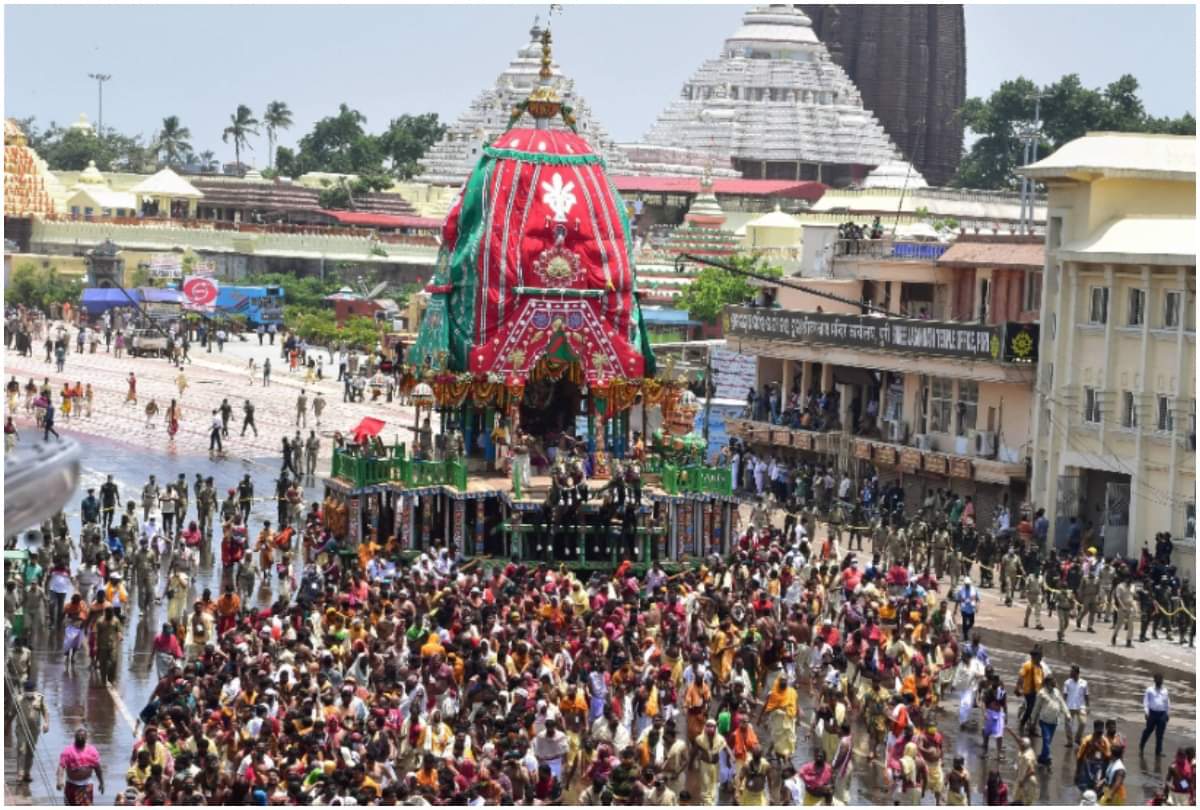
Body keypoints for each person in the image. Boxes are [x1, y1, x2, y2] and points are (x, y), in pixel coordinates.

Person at [14, 678, 50, 783]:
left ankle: (27, 772)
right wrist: (6, 726)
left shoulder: (40, 698)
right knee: (21, 749)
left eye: (31, 690)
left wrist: (46, 723)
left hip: (34, 730)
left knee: (30, 750)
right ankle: (20, 773)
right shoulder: (19, 699)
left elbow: (45, 712)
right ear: (24, 689)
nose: (29, 692)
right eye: (27, 690)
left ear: (34, 689)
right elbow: (12, 712)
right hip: (21, 728)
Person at [57, 727, 105, 805]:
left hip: (86, 785)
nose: (80, 737)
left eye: (82, 736)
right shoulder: (68, 751)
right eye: (78, 736)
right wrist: (59, 780)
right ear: (75, 738)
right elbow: (61, 767)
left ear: (86, 738)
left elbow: (98, 768)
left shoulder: (92, 751)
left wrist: (101, 783)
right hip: (71, 784)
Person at [1140, 672, 1170, 758]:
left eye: (1161, 680)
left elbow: (1167, 703)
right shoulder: (1149, 690)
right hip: (1152, 713)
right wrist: (1146, 712)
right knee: (1148, 730)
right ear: (1155, 680)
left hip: (1162, 714)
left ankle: (1158, 752)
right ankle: (1142, 745)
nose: (1159, 682)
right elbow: (1146, 702)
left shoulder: (1165, 691)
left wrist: (1167, 713)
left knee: (1160, 734)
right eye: (1158, 680)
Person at [955, 576, 979, 641]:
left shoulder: (974, 590)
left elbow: (977, 599)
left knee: (971, 622)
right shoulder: (961, 590)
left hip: (971, 609)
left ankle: (965, 630)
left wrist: (977, 607)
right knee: (964, 622)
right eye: (966, 584)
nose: (967, 585)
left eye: (968, 584)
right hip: (964, 609)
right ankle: (965, 636)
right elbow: (957, 600)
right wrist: (955, 609)